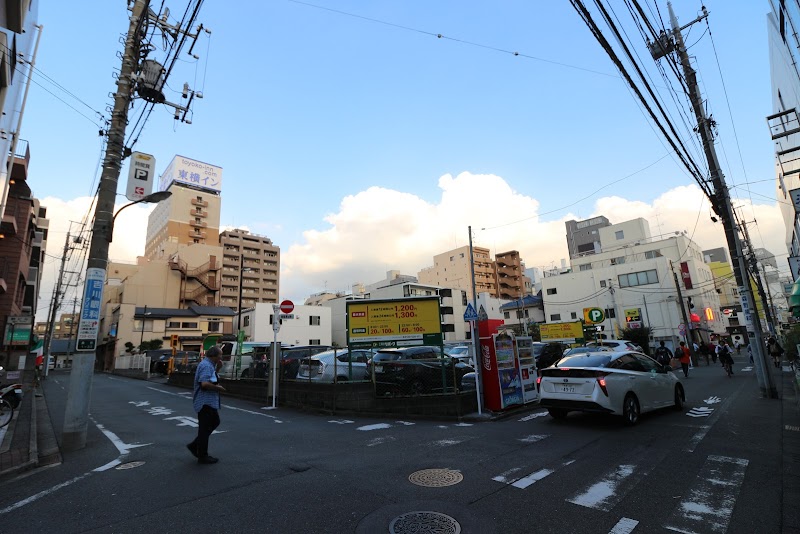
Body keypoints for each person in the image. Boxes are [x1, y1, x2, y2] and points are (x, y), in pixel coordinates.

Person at [187, 346, 225, 464]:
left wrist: (218, 369)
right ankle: (202, 455)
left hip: (208, 401)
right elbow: (204, 384)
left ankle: (195, 446)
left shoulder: (209, 365)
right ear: (214, 355)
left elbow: (212, 379)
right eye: (220, 355)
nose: (221, 357)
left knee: (213, 423)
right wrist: (218, 388)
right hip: (205, 401)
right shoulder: (206, 366)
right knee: (205, 428)